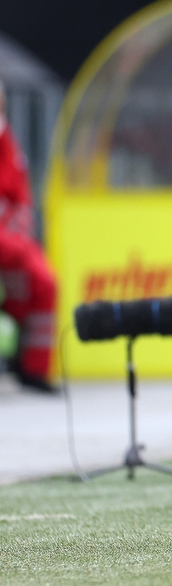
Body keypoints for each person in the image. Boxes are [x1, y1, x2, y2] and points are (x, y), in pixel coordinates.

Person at [0, 80, 58, 393]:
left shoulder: (7, 139)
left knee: (45, 283)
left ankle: (33, 367)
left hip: (14, 240)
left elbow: (20, 195)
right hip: (8, 242)